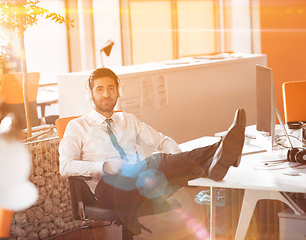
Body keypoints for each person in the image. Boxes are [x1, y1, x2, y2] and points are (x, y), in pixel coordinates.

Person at [59, 67, 246, 235]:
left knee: (169, 167)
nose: (106, 94)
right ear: (90, 94)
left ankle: (215, 162)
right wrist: (104, 166)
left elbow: (162, 140)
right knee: (157, 161)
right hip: (110, 191)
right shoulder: (77, 126)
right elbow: (65, 166)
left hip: (140, 184)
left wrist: (177, 159)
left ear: (118, 92)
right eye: (99, 89)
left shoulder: (128, 120)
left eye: (111, 88)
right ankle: (219, 152)